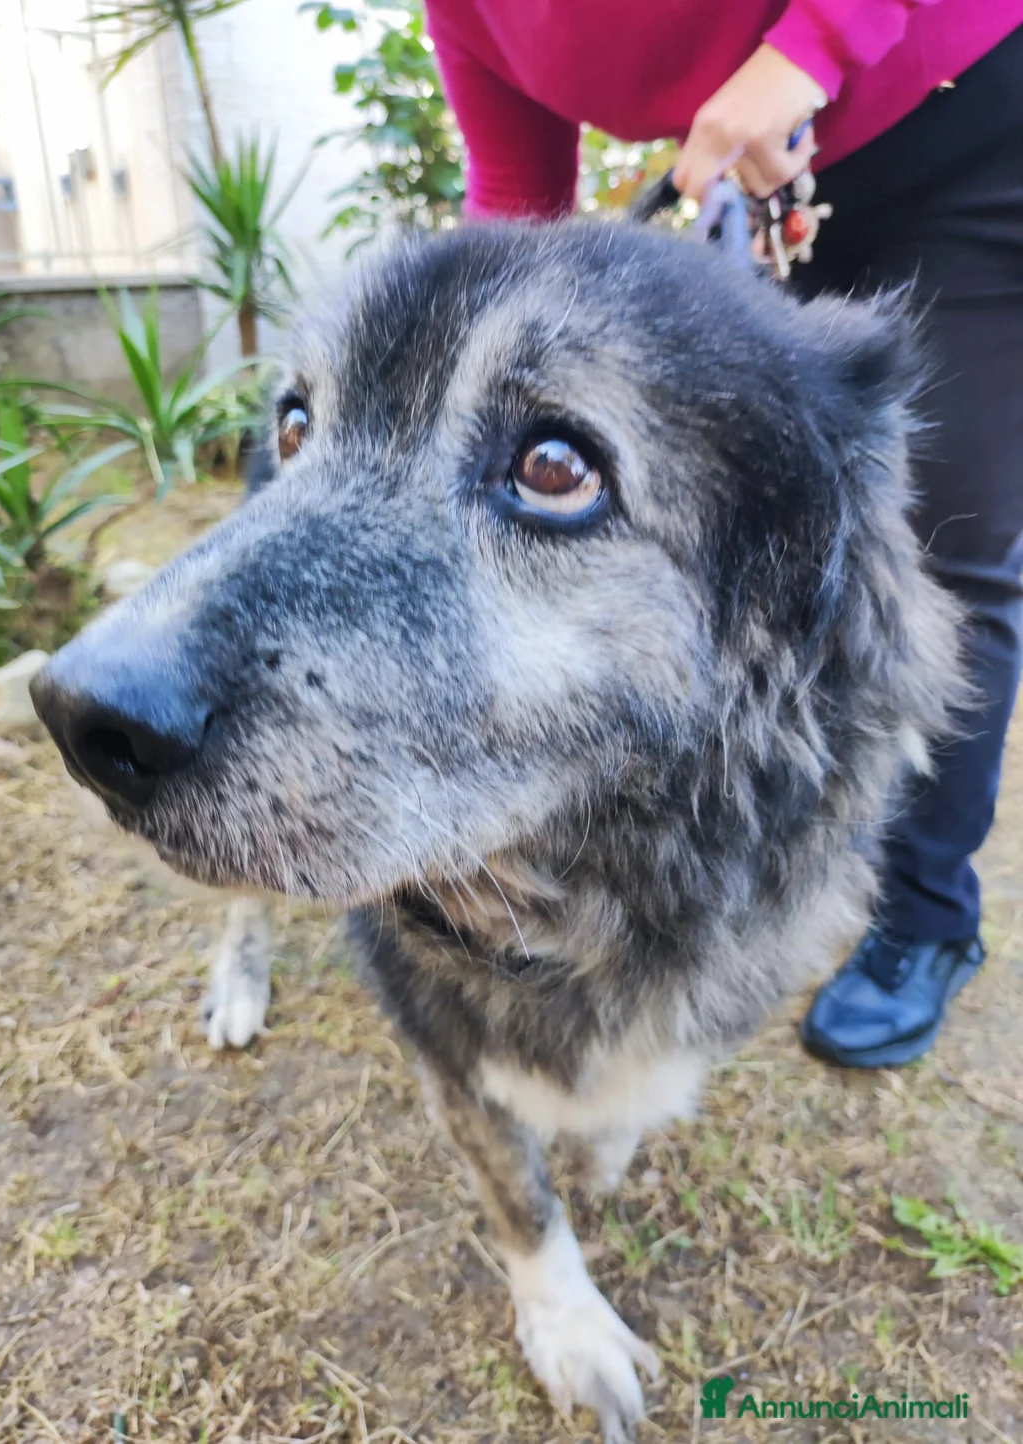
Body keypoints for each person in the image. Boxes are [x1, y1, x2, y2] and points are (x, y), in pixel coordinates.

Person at [421, 0, 1023, 1068]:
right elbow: (514, 222)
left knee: (947, 554)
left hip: (966, 119)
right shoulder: (463, 13)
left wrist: (810, 49)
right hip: (760, 193)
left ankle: (920, 918)